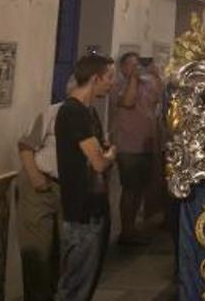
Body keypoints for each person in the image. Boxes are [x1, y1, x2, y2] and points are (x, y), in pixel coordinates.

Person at [56, 54, 117, 301]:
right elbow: (99, 162)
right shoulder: (73, 112)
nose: (113, 83)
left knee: (86, 282)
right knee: (75, 284)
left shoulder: (89, 112)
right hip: (81, 211)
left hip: (96, 206)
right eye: (110, 77)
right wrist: (111, 155)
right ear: (95, 78)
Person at [110, 52, 164, 245]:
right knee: (130, 189)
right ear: (123, 68)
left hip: (147, 145)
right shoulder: (117, 86)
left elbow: (161, 98)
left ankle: (135, 227)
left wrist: (156, 75)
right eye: (132, 65)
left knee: (142, 189)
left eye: (138, 65)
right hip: (128, 146)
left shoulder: (148, 84)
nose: (136, 68)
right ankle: (126, 231)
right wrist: (133, 79)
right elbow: (128, 101)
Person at [17, 100, 64, 301]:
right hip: (42, 183)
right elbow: (25, 144)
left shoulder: (89, 117)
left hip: (66, 189)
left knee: (59, 252)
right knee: (37, 252)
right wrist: (36, 177)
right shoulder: (53, 112)